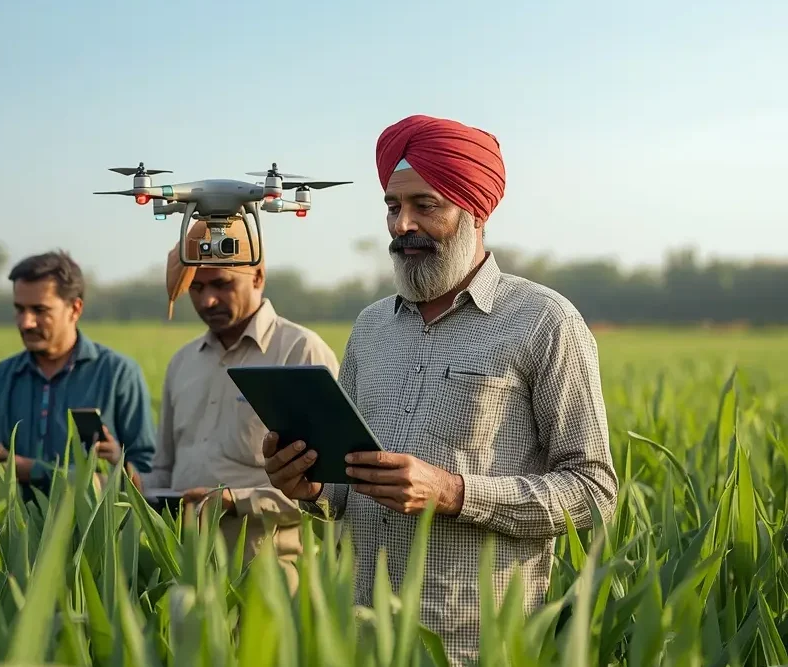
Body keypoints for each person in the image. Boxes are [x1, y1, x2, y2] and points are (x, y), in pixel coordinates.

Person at [261, 114, 618, 662]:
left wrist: (453, 493)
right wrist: (307, 486)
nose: (402, 224)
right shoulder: (371, 327)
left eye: (425, 206)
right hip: (361, 638)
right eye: (392, 206)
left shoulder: (545, 322)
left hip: (479, 645)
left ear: (475, 212)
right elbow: (345, 491)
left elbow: (593, 494)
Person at [143, 219, 340, 591]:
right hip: (185, 568)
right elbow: (165, 469)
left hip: (267, 575)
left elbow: (332, 488)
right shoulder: (182, 362)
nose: (207, 300)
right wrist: (132, 484)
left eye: (221, 284)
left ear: (258, 277)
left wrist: (237, 500)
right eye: (196, 288)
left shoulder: (299, 351)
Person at [0, 250, 156, 494]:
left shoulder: (118, 374)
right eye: (19, 309)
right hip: (9, 529)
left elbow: (146, 472)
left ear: (75, 309)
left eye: (39, 310)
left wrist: (34, 470)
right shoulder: (2, 377)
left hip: (90, 531)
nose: (26, 322)